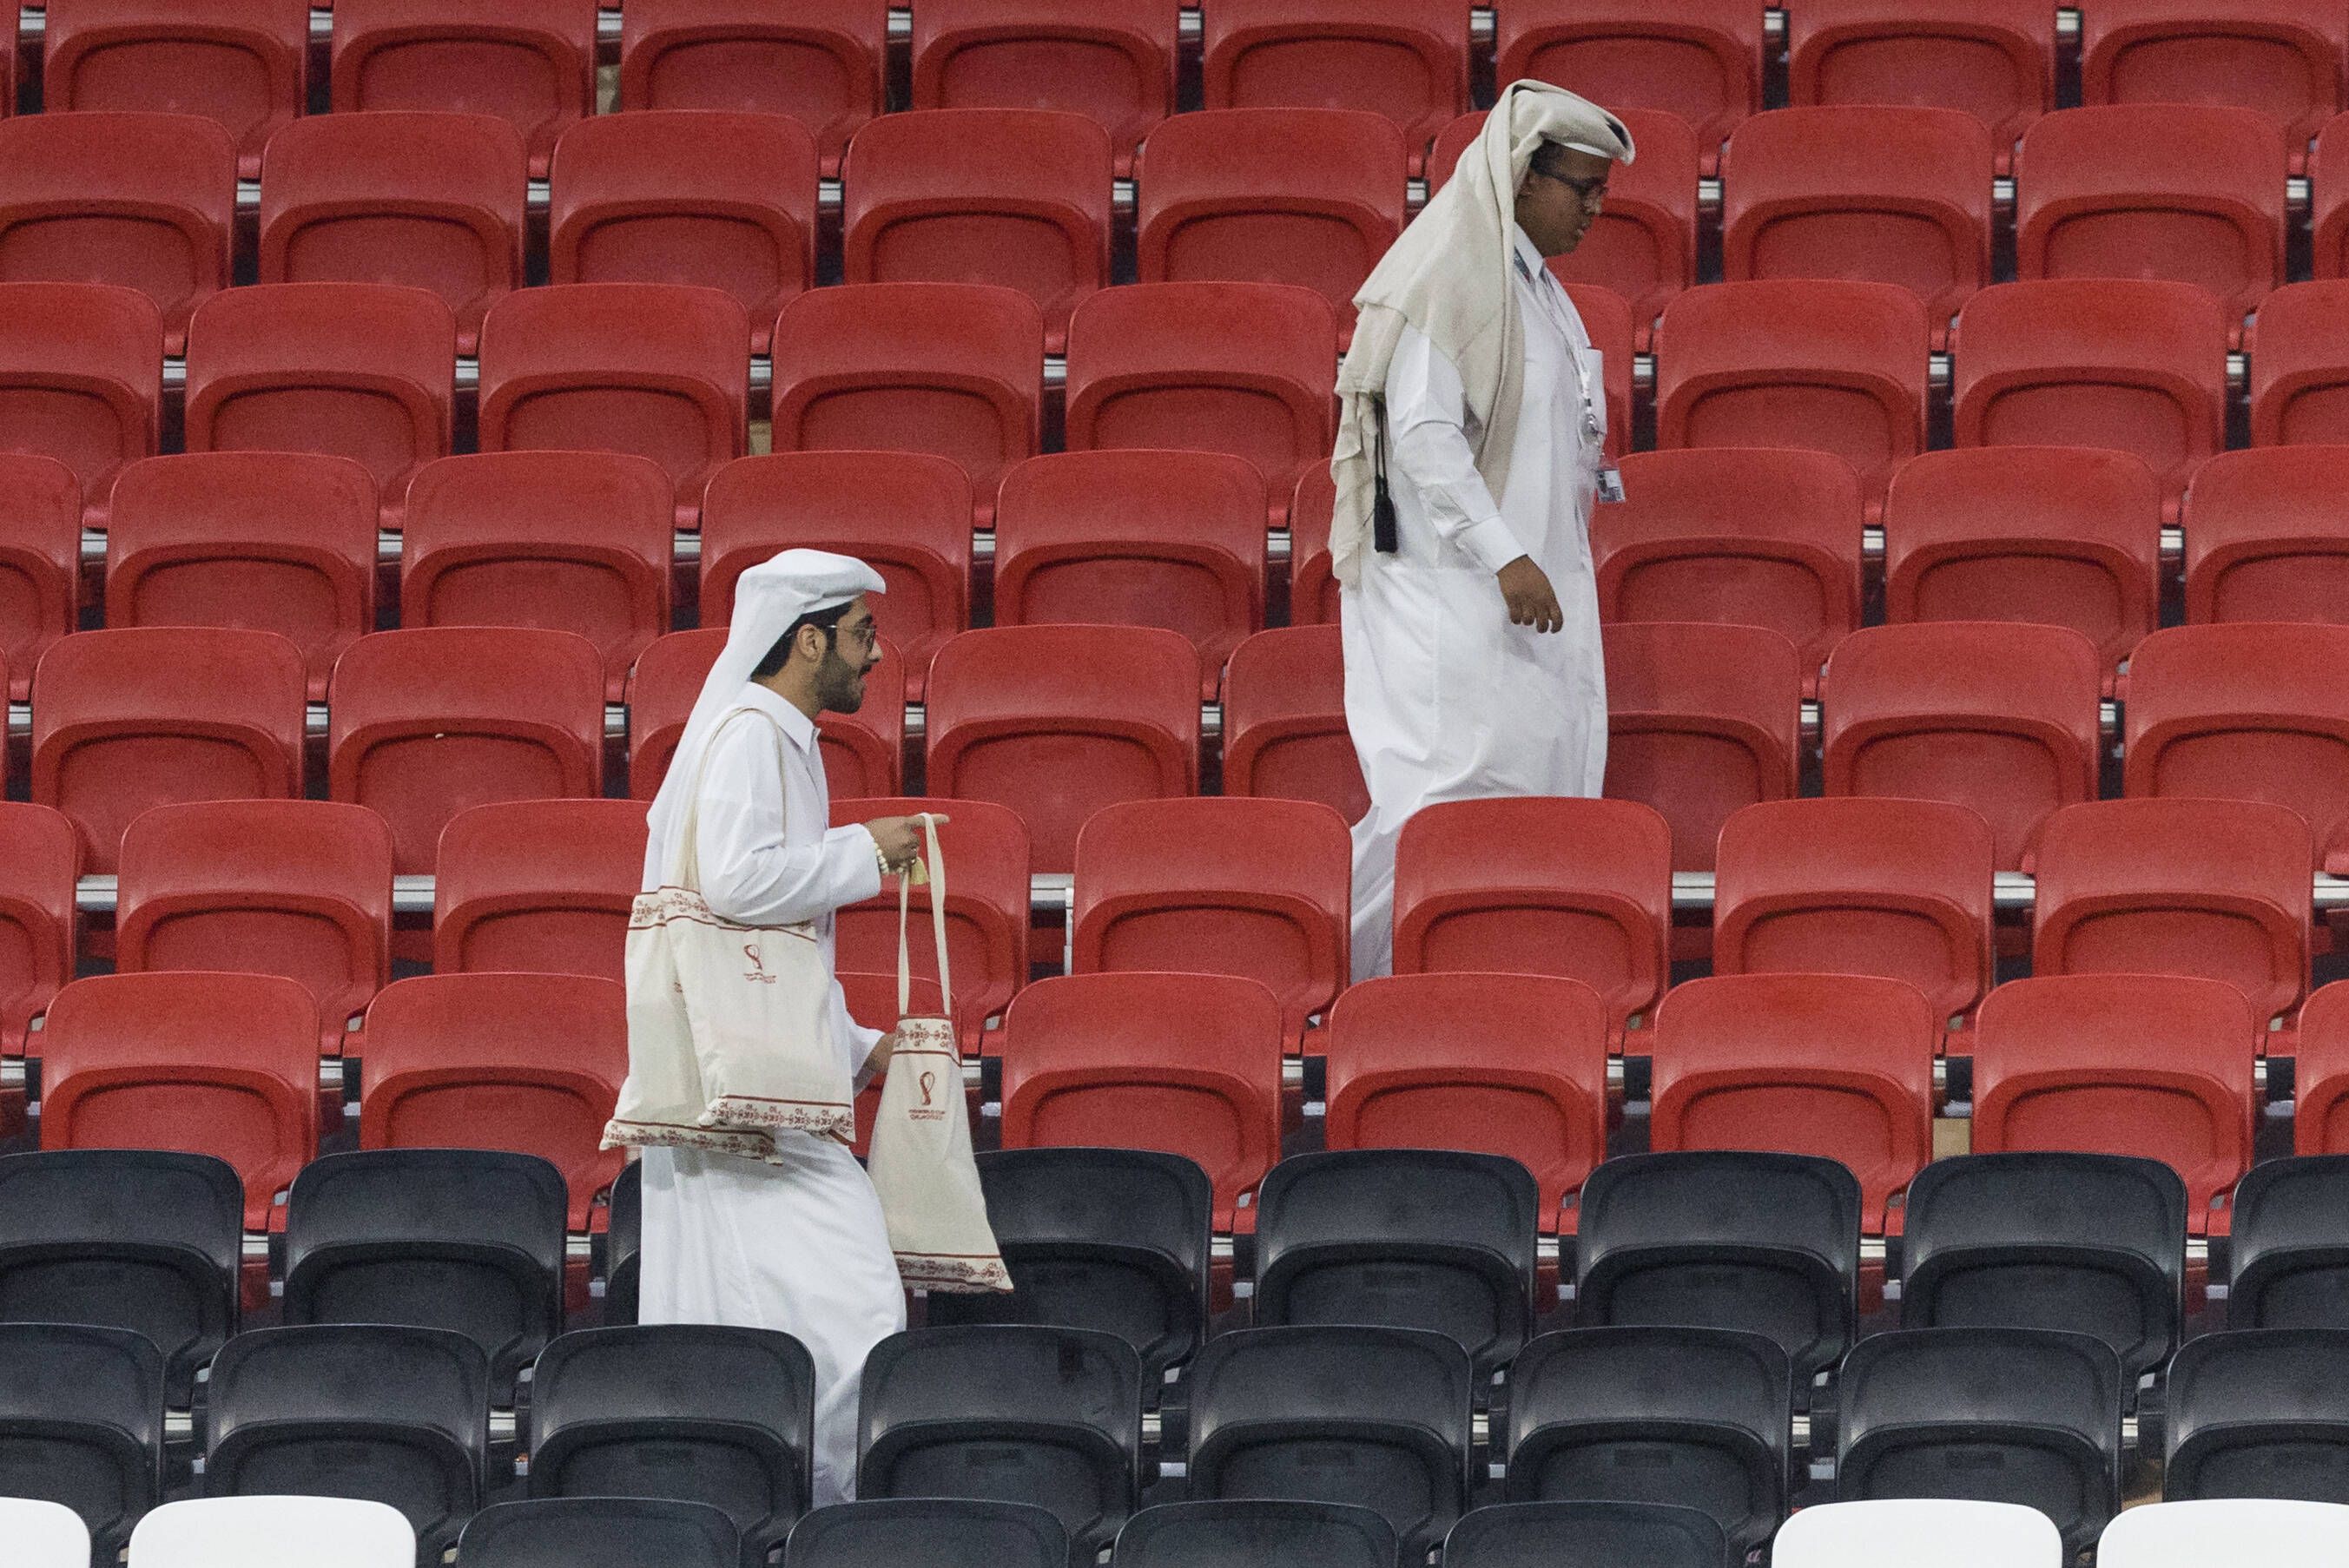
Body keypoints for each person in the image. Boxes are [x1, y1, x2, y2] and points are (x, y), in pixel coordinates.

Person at [634, 547, 936, 1505]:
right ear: (807, 639)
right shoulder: (753, 733)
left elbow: (767, 951)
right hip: (751, 1106)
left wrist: (859, 1048)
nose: (876, 657)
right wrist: (865, 852)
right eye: (860, 635)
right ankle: (837, 1516)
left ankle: (760, 1512)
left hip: (747, 1083)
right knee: (855, 1300)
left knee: (730, 1315)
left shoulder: (768, 734)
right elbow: (737, 881)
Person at [1330, 81, 1637, 980]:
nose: (1591, 208)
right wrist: (1506, 557)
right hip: (1450, 602)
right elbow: (1421, 437)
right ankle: (1313, 980)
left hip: (1514, 601)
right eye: (1577, 187)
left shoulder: (1532, 287)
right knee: (1437, 810)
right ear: (1518, 175)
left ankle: (1475, 997)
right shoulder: (1450, 276)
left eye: (1599, 191)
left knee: (1519, 809)